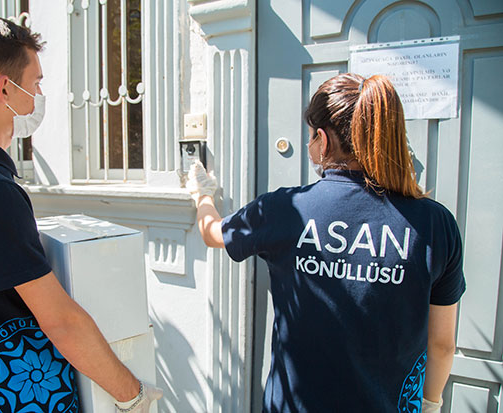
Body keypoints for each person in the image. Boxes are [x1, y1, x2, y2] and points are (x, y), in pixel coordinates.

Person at [0, 15, 161, 412]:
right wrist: (133, 394)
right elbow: (61, 321)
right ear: (4, 88)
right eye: (36, 83)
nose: (39, 95)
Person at [187, 73, 465, 412]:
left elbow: (212, 232)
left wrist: (202, 193)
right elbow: (442, 345)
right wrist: (431, 405)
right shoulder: (436, 224)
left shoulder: (283, 209)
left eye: (309, 137)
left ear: (322, 140)